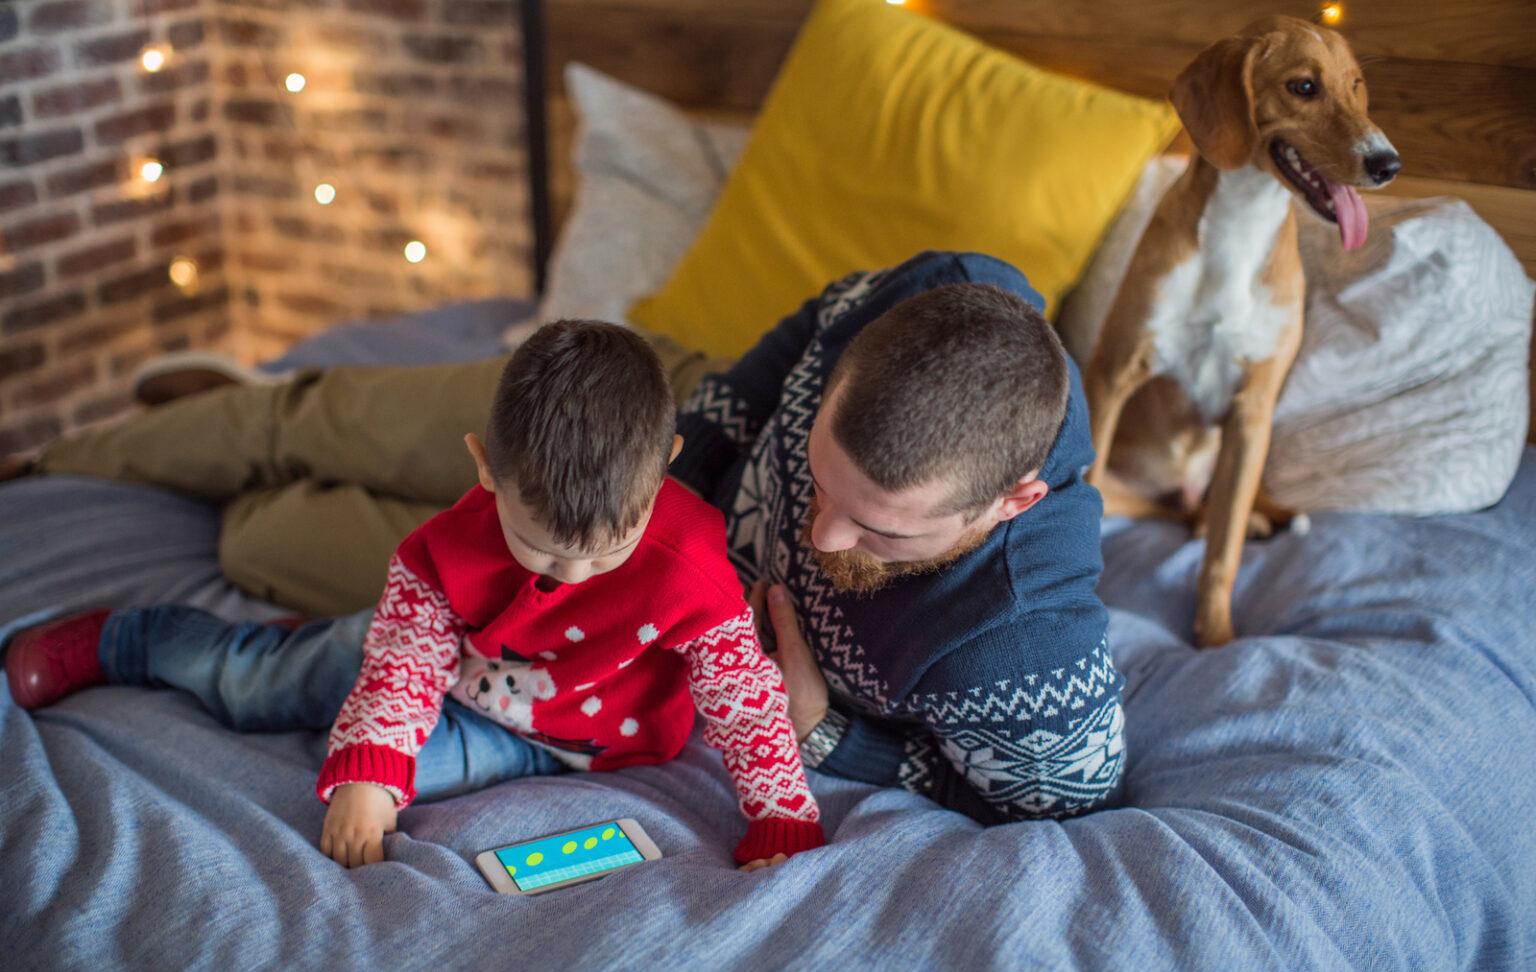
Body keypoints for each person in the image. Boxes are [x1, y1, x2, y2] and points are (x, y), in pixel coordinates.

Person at [9, 250, 1126, 824]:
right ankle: (82, 452)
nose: (817, 531)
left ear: (1009, 505)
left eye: (877, 531)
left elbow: (1044, 804)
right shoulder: (935, 293)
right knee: (323, 413)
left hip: (616, 607)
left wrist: (826, 736)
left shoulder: (1022, 656)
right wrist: (651, 474)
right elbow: (803, 322)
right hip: (621, 444)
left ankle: (240, 482)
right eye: (822, 476)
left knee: (264, 549)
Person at [6, 320, 825, 871]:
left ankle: (316, 651)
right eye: (540, 547)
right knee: (259, 690)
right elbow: (404, 661)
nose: (570, 579)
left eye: (606, 552)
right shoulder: (444, 551)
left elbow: (746, 701)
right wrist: (368, 764)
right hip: (447, 665)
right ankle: (133, 638)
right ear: (481, 467)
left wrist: (780, 814)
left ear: (667, 464)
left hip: (565, 738)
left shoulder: (691, 563)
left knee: (403, 782)